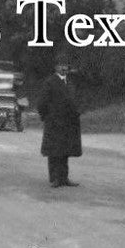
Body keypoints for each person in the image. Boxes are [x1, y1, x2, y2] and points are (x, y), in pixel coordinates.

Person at [35, 54, 82, 188]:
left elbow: (74, 101)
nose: (63, 68)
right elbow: (41, 103)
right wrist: (46, 117)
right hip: (54, 122)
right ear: (56, 67)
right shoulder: (50, 82)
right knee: (54, 152)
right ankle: (55, 178)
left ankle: (64, 178)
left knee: (65, 151)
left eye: (65, 66)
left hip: (68, 123)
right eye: (61, 65)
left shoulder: (70, 83)